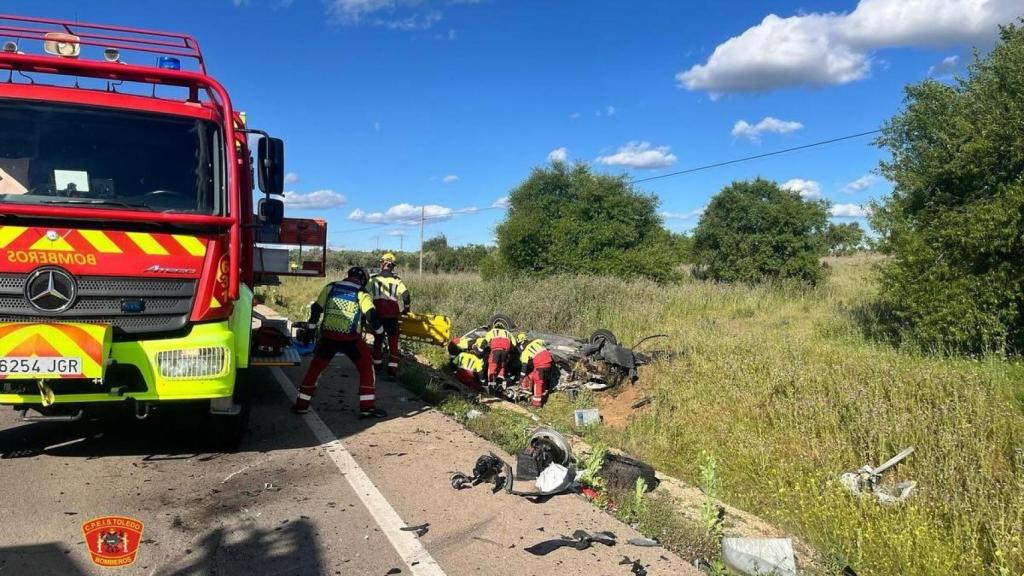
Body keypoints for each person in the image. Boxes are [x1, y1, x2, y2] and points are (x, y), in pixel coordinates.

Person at [292, 266, 387, 418]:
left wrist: (310, 329)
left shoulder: (331, 287)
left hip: (328, 337)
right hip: (351, 340)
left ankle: (301, 405)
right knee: (366, 368)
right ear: (363, 280)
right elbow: (371, 314)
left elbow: (316, 309)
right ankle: (367, 408)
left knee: (315, 369)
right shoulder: (361, 292)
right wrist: (380, 333)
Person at [369, 252, 411, 378]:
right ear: (393, 266)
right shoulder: (397, 281)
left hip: (377, 316)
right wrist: (406, 309)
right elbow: (406, 296)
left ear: (381, 264)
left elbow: (363, 293)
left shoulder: (373, 279)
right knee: (393, 343)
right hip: (392, 317)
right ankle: (392, 372)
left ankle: (377, 367)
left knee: (378, 340)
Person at [517, 333, 553, 407]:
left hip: (541, 363)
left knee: (538, 381)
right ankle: (542, 394)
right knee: (541, 378)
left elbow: (524, 367)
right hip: (549, 360)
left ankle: (536, 404)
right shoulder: (535, 341)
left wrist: (521, 378)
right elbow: (544, 342)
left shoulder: (525, 352)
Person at [483, 323, 517, 389]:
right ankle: (501, 381)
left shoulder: (493, 331)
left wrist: (480, 349)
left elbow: (485, 341)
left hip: (496, 350)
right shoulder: (508, 333)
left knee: (492, 365)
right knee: (502, 364)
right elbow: (514, 343)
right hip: (505, 351)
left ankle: (491, 384)